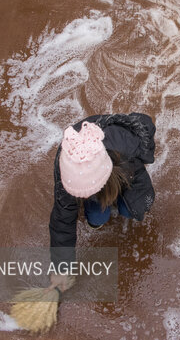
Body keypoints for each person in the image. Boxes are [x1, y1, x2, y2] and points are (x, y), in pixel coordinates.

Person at [48, 113, 156, 290]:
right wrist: (61, 268)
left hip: (120, 171)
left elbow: (144, 124)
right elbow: (62, 222)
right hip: (101, 175)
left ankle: (116, 197)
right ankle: (97, 208)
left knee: (135, 207)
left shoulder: (124, 143)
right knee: (97, 217)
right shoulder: (65, 173)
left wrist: (146, 152)